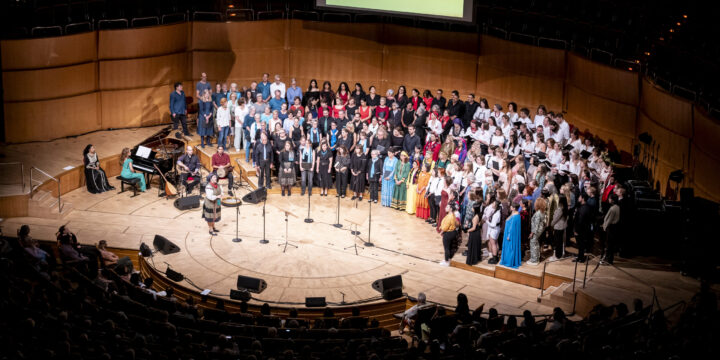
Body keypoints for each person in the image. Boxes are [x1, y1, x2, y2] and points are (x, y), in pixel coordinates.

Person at [499, 203, 522, 268]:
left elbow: (512, 227)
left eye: (511, 207)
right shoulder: (516, 214)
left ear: (514, 208)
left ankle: (509, 261)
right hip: (510, 233)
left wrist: (509, 235)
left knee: (510, 248)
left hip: (510, 235)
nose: (510, 207)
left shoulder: (515, 216)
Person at [574, 193, 593, 262]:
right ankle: (580, 257)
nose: (578, 198)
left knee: (580, 244)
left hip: (581, 230)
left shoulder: (583, 208)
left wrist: (577, 230)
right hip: (584, 229)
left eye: (580, 197)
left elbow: (580, 221)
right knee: (580, 245)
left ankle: (581, 258)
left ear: (583, 199)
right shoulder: (586, 207)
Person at [528, 198, 547, 265]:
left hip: (536, 231)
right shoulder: (542, 211)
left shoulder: (538, 213)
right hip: (540, 230)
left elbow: (536, 224)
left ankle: (534, 260)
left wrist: (532, 233)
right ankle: (536, 257)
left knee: (533, 243)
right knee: (536, 244)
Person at [549, 195, 569, 260]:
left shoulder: (560, 208)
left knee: (558, 242)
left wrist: (551, 224)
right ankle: (559, 254)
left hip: (558, 226)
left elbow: (555, 218)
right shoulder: (565, 207)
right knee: (560, 241)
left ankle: (557, 256)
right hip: (562, 226)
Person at [602, 194, 620, 264]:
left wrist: (604, 227)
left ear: (612, 200)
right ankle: (609, 259)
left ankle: (608, 260)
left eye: (609, 198)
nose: (608, 200)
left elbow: (609, 220)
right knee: (611, 244)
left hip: (611, 228)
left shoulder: (613, 209)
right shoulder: (617, 207)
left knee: (609, 244)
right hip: (614, 227)